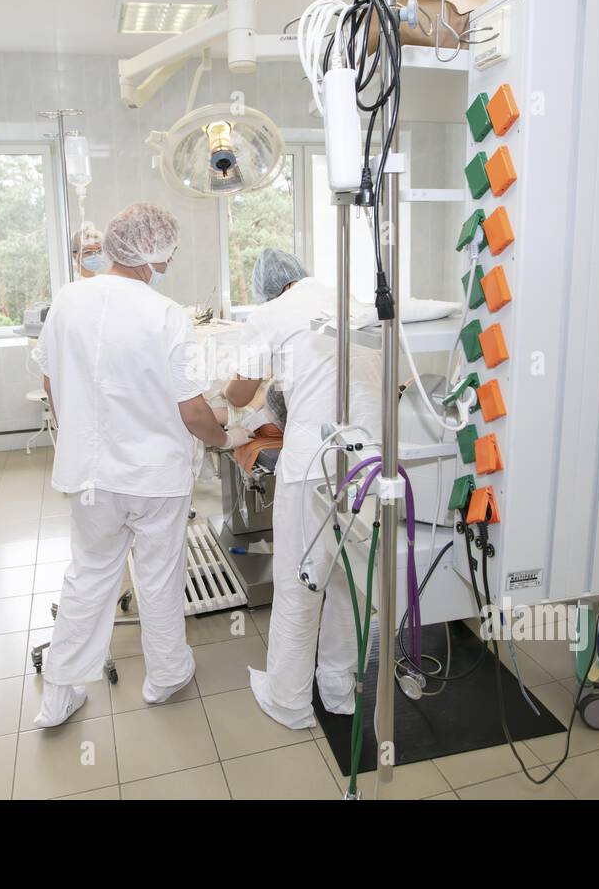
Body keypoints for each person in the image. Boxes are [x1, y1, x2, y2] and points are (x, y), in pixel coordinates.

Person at [34, 203, 252, 727]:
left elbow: (49, 382)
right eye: (170, 250)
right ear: (153, 251)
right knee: (158, 576)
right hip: (154, 478)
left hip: (90, 478)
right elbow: (194, 410)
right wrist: (226, 438)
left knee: (88, 577)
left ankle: (59, 695)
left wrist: (86, 433)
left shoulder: (67, 300)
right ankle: (165, 676)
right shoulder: (165, 314)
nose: (171, 258)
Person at [225, 248, 381, 730]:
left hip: (314, 461)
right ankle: (339, 689)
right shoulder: (348, 299)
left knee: (300, 579)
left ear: (267, 288)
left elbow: (239, 392)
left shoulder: (270, 314)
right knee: (350, 582)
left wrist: (227, 397)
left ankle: (289, 700)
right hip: (370, 459)